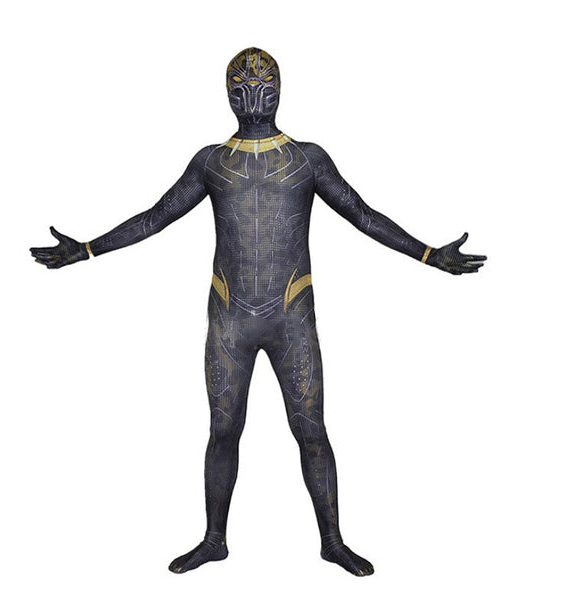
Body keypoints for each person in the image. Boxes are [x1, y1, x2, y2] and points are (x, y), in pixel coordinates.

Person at [30, 47, 486, 576]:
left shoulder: (306, 159)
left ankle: (332, 540)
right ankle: (214, 539)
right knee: (224, 430)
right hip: (231, 320)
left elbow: (362, 215)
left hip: (290, 318)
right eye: (243, 88)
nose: (253, 97)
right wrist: (87, 248)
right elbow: (156, 217)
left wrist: (429, 254)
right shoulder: (212, 162)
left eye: (262, 87)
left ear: (277, 92)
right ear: (229, 96)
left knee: (310, 430)